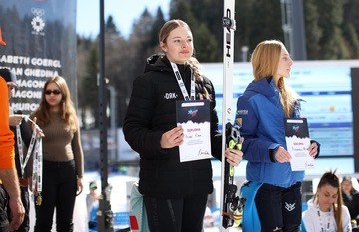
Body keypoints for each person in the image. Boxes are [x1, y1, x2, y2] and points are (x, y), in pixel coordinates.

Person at [122, 19, 243, 232]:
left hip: (197, 183)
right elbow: (132, 129)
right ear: (164, 45)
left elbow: (211, 133)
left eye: (188, 40)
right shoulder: (148, 82)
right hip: (163, 184)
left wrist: (227, 150)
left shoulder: (203, 83)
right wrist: (161, 140)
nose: (185, 45)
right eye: (177, 40)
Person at [235, 40, 320, 232]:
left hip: (293, 181)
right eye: (285, 57)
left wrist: (311, 145)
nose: (291, 62)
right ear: (270, 60)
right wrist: (271, 151)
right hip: (266, 184)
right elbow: (242, 142)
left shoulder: (292, 98)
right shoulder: (250, 99)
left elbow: (295, 136)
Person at [29, 75, 84, 231]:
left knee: (66, 222)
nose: (52, 95)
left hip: (68, 171)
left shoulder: (71, 116)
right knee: (43, 222)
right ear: (44, 94)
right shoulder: (36, 116)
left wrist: (80, 175)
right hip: (45, 172)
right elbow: (29, 148)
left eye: (56, 91)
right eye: (48, 92)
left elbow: (77, 147)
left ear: (63, 93)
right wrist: (31, 176)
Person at [0, 68, 32, 232]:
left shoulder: (18, 115)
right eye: (8, 86)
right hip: (3, 182)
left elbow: (29, 142)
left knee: (22, 226)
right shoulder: (9, 116)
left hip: (17, 180)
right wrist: (6, 121)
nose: (11, 90)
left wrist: (37, 135)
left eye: (13, 87)